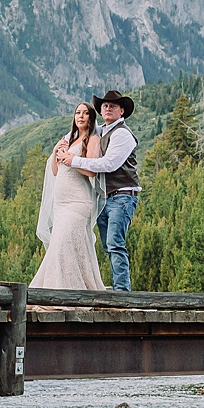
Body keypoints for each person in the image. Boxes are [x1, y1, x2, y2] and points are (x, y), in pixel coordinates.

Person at [58, 89, 138, 291]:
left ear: (122, 111)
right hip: (106, 198)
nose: (108, 109)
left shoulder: (122, 134)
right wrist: (63, 144)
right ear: (101, 111)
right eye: (105, 106)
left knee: (114, 244)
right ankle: (116, 288)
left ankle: (122, 292)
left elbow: (109, 164)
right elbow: (79, 132)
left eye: (113, 106)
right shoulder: (103, 130)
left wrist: (73, 160)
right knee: (108, 246)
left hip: (123, 196)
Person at [30, 102, 106, 290]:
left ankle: (72, 291)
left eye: (85, 113)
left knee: (66, 242)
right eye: (77, 113)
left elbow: (92, 171)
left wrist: (69, 160)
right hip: (61, 203)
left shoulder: (93, 140)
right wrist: (58, 153)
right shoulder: (69, 140)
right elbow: (56, 171)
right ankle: (55, 288)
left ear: (91, 118)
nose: (80, 116)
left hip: (78, 201)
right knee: (59, 245)